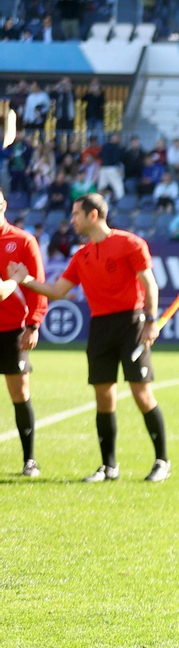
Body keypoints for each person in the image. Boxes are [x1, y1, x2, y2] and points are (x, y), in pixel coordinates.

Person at [9, 193, 170, 482]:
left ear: (92, 215)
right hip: (99, 327)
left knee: (141, 393)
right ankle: (109, 467)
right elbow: (57, 291)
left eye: (75, 214)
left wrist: (150, 320)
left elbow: (150, 283)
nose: (71, 220)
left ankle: (162, 461)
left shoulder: (130, 243)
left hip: (131, 323)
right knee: (103, 398)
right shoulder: (81, 255)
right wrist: (24, 281)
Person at [0, 187, 45, 476]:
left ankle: (29, 459)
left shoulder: (22, 240)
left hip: (13, 329)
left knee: (20, 392)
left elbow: (37, 284)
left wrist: (34, 324)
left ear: (3, 203)